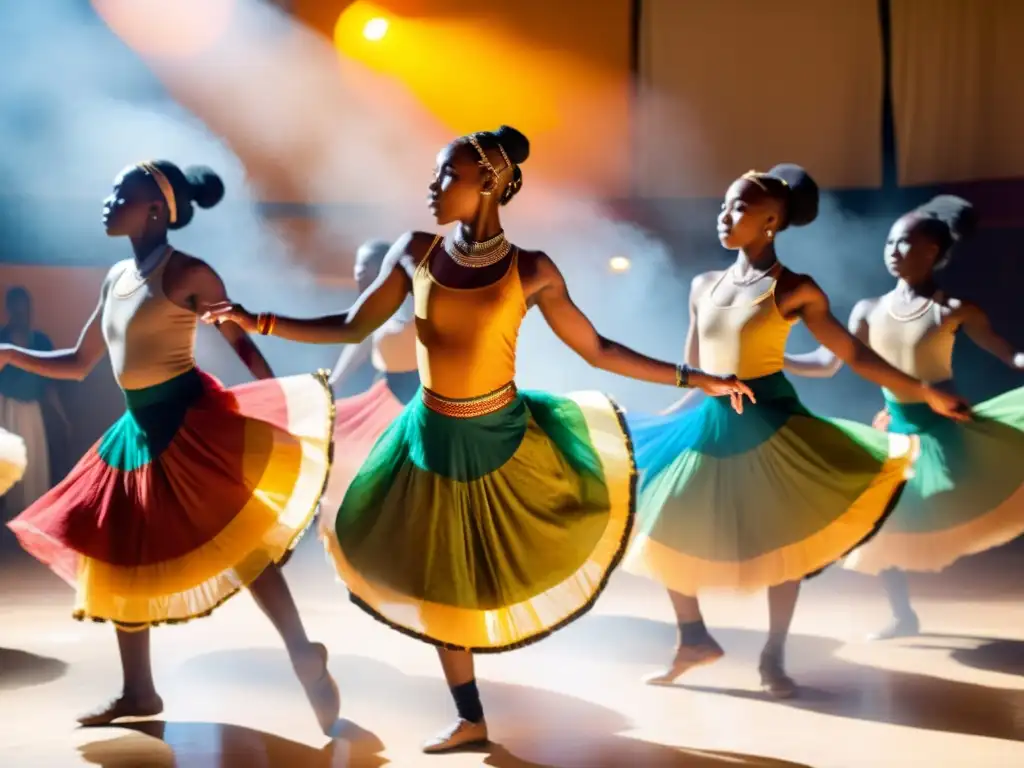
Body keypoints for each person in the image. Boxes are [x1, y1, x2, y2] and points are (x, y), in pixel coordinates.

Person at [203, 125, 755, 753]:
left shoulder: (532, 270)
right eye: (436, 175)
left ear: (488, 183)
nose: (433, 187)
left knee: (492, 567)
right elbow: (353, 322)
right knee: (441, 579)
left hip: (502, 437)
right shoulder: (414, 252)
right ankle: (469, 716)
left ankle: (492, 707)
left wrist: (696, 377)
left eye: (447, 176)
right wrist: (259, 319)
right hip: (429, 438)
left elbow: (598, 350)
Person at [0, 160, 340, 733]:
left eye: (121, 195)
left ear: (156, 210)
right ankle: (139, 691)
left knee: (240, 540)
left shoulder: (190, 274)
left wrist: (276, 406)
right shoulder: (115, 277)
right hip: (136, 434)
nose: (108, 202)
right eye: (110, 192)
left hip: (187, 423)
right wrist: (10, 354)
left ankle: (303, 651)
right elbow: (82, 363)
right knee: (119, 555)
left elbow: (244, 348)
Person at [621, 165, 970, 699]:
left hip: (770, 421)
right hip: (713, 418)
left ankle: (773, 655)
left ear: (770, 221)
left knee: (779, 538)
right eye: (724, 205)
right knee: (663, 519)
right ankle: (693, 637)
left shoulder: (796, 289)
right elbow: (697, 370)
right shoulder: (703, 286)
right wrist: (664, 419)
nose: (724, 216)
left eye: (738, 207)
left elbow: (852, 354)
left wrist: (924, 392)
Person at [785, 195, 1024, 640]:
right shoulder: (867, 310)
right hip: (896, 430)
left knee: (982, 502)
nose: (892, 250)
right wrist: (774, 358)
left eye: (905, 243)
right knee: (882, 523)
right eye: (889, 242)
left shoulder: (954, 309)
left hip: (948, 429)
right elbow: (826, 361)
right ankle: (902, 614)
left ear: (931, 252)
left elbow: (1008, 353)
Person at [319, 239, 418, 521]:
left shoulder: (410, 300)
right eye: (356, 265)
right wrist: (335, 382)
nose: (357, 272)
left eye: (364, 265)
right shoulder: (375, 305)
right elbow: (359, 339)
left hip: (417, 395)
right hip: (385, 390)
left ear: (384, 267)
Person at [0, 286, 71, 511]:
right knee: (9, 467)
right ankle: (10, 518)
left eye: (26, 310)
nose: (23, 315)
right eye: (18, 311)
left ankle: (33, 515)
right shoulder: (2, 341)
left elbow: (50, 385)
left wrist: (62, 416)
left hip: (33, 411)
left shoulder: (40, 342)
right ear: (9, 310)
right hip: (6, 409)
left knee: (34, 466)